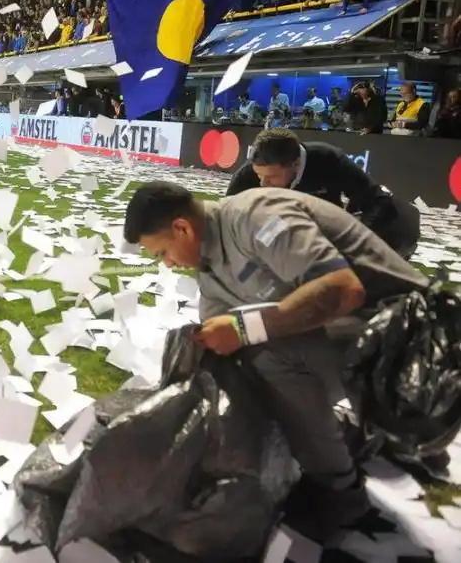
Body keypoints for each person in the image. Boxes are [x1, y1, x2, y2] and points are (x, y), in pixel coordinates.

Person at [123, 181, 429, 542]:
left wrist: (244, 328)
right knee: (239, 356)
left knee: (267, 352)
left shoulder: (256, 217)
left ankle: (339, 491)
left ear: (182, 228)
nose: (169, 264)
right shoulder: (211, 264)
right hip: (365, 337)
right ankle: (335, 439)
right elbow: (220, 335)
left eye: (163, 253)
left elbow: (343, 290)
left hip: (416, 340)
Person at [226, 129, 421, 260]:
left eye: (271, 177)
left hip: (330, 232)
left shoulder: (329, 160)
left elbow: (378, 202)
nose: (263, 183)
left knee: (398, 223)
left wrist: (349, 244)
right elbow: (225, 222)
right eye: (259, 175)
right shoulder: (247, 176)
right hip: (279, 232)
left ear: (295, 164)